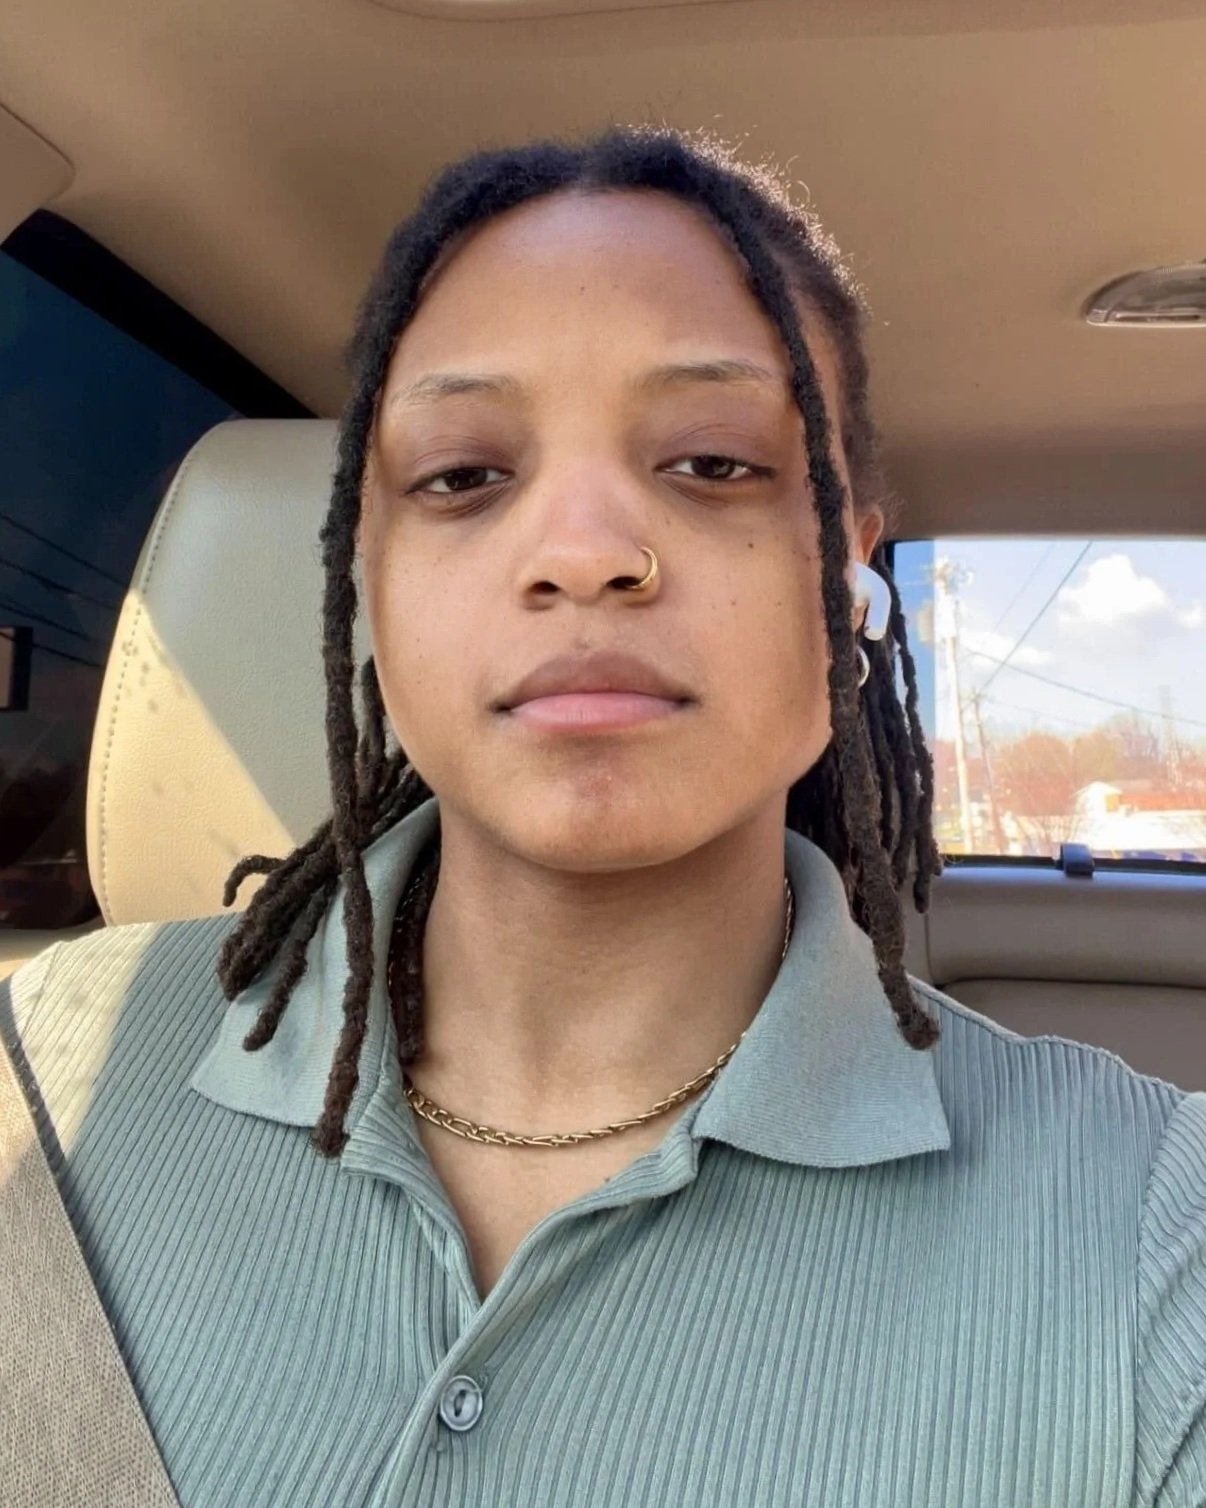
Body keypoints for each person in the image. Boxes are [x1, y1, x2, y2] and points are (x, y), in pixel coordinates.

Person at [3, 128, 1204, 1508]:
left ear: (848, 582)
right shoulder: (43, 1068)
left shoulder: (1153, 1231)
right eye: (462, 476)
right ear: (370, 583)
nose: (581, 552)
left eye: (713, 463)